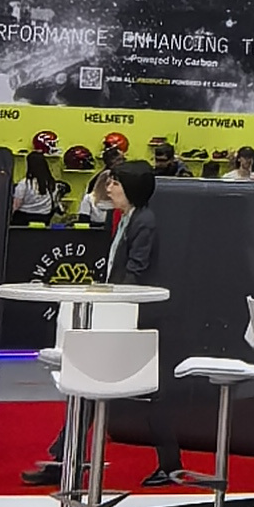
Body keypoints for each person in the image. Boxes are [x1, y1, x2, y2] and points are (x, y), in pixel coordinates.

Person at [98, 164, 181, 482]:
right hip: (125, 311)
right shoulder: (128, 218)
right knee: (96, 379)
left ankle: (170, 462)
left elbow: (136, 269)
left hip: (138, 316)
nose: (109, 188)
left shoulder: (144, 222)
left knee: (150, 391)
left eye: (115, 183)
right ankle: (64, 452)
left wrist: (114, 302)